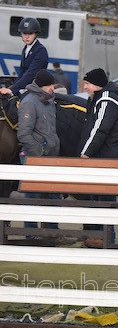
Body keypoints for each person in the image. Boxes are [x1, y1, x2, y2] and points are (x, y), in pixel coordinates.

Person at [77, 68, 118, 248]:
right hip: (102, 157)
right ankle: (99, 238)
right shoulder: (101, 99)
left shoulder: (106, 100)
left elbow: (100, 128)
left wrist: (86, 152)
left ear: (96, 84)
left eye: (87, 83)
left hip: (106, 159)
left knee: (105, 199)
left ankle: (107, 239)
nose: (85, 87)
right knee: (100, 199)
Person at [17, 69, 62, 237]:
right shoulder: (29, 102)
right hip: (35, 157)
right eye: (50, 85)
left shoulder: (49, 102)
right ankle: (31, 232)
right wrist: (40, 152)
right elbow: (24, 134)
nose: (53, 87)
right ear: (43, 86)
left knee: (54, 194)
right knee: (32, 196)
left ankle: (51, 231)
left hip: (50, 157)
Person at [0, 18, 49, 99]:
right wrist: (12, 88)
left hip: (37, 90)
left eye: (30, 34)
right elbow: (22, 72)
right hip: (28, 88)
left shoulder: (40, 51)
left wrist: (13, 89)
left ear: (36, 34)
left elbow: (31, 74)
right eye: (24, 33)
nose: (27, 37)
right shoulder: (26, 49)